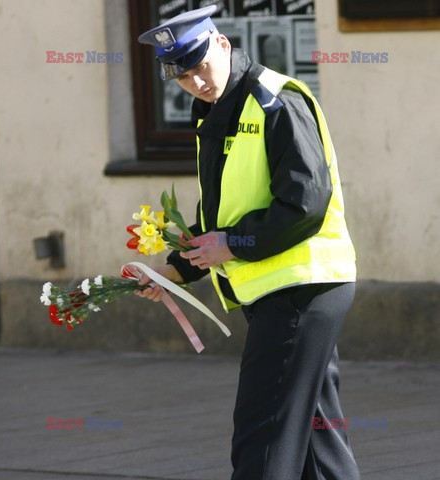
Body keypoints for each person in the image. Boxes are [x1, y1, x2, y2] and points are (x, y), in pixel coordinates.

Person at [137, 6, 361, 480]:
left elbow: (305, 203)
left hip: (301, 287)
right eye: (183, 76)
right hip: (286, 286)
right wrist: (176, 269)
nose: (196, 82)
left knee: (262, 434)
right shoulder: (216, 112)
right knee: (318, 441)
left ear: (222, 44)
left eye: (201, 66)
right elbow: (222, 214)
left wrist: (233, 245)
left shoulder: (274, 100)